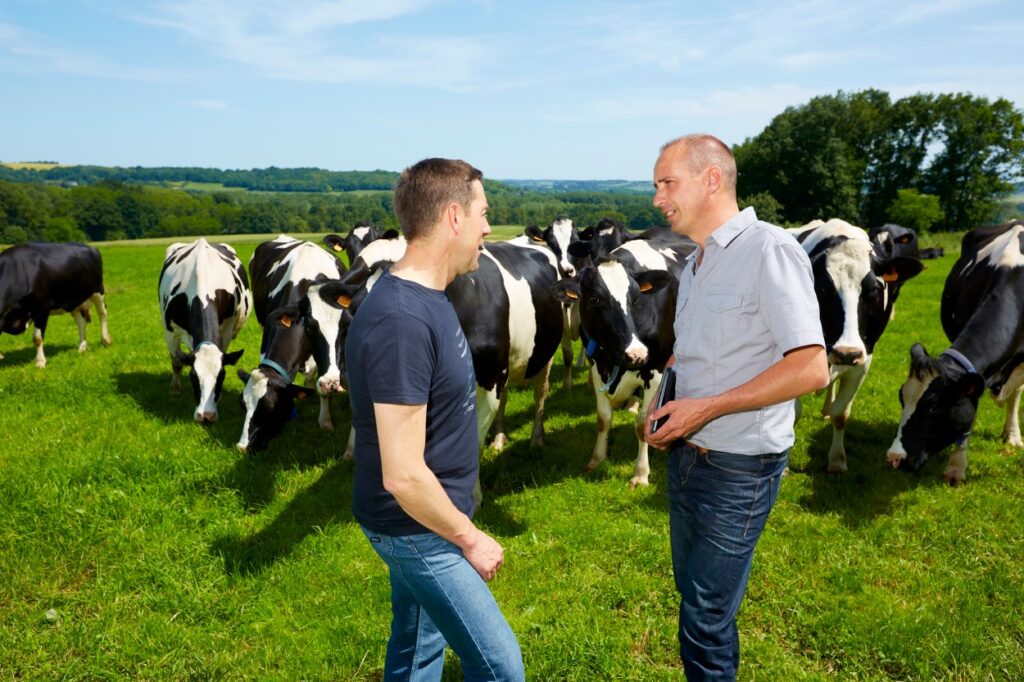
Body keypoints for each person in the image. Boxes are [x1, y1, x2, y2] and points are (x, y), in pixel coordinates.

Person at [645, 134, 830, 681]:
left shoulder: (769, 249)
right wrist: (665, 399)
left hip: (739, 467)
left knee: (704, 615)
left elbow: (811, 367)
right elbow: (693, 351)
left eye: (666, 183)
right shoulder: (699, 262)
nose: (657, 199)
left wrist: (707, 408)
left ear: (711, 180)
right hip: (688, 458)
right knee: (696, 597)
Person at [345, 158, 525, 681]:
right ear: (453, 216)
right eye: (483, 213)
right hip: (416, 527)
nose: (489, 228)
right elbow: (402, 474)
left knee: (417, 646)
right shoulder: (402, 319)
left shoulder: (430, 297)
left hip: (426, 518)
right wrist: (469, 537)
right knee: (499, 667)